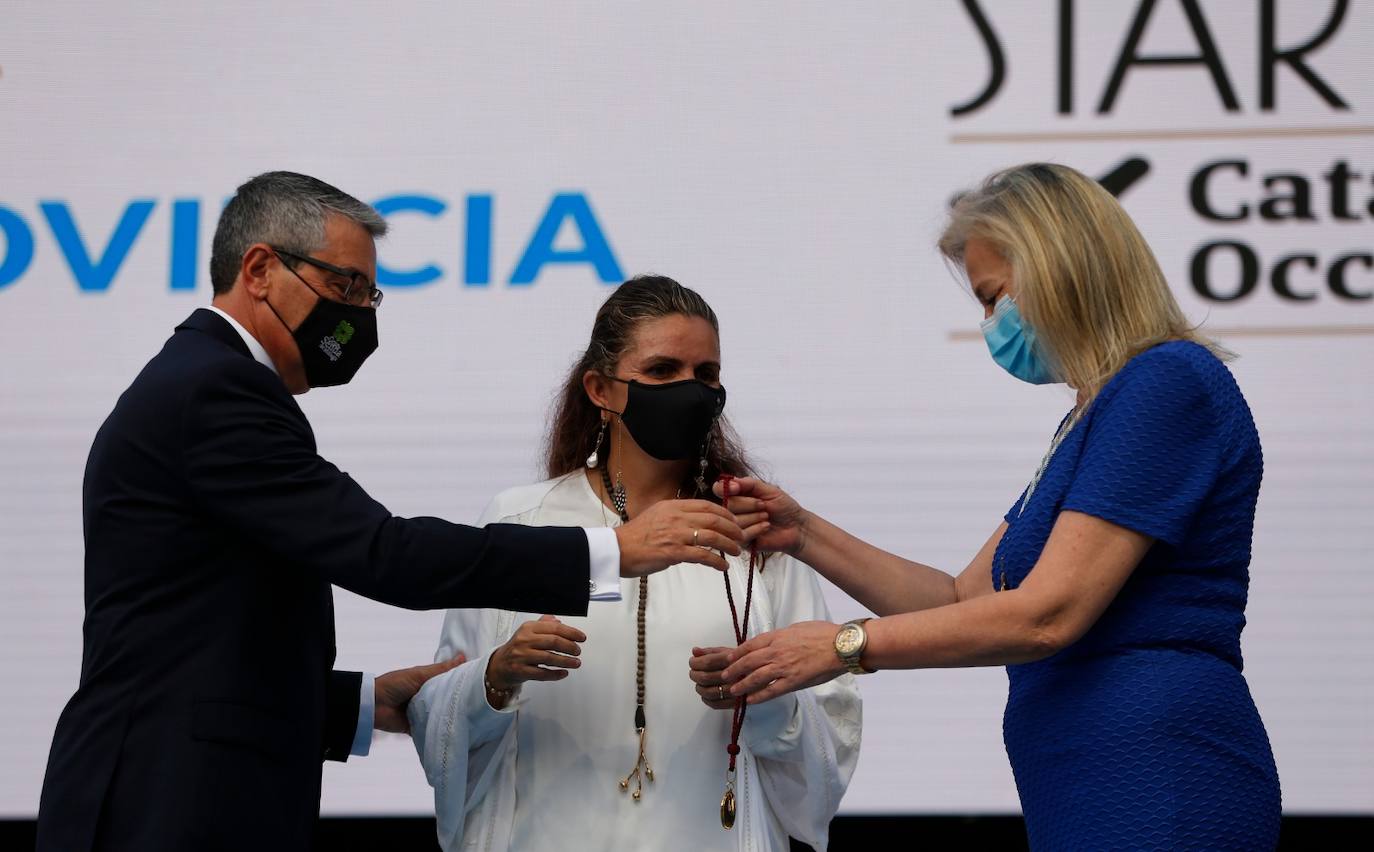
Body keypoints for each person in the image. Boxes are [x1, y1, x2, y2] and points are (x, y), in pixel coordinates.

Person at [36, 173, 744, 852]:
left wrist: (365, 704)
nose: (357, 316)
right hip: (162, 807)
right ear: (258, 269)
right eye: (344, 286)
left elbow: (202, 640)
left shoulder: (206, 385)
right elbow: (384, 553)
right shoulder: (216, 392)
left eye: (370, 296)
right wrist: (613, 549)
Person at [716, 163, 1281, 850]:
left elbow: (1049, 614)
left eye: (993, 298)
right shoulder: (1092, 414)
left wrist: (846, 646)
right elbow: (962, 600)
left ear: (1057, 266)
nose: (989, 325)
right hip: (1088, 779)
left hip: (1160, 774)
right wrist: (802, 532)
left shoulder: (1165, 383)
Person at [407, 276, 860, 852]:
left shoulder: (758, 535)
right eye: (663, 371)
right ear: (601, 389)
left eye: (706, 375)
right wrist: (495, 677)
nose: (689, 390)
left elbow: (829, 752)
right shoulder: (522, 519)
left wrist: (762, 700)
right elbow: (434, 722)